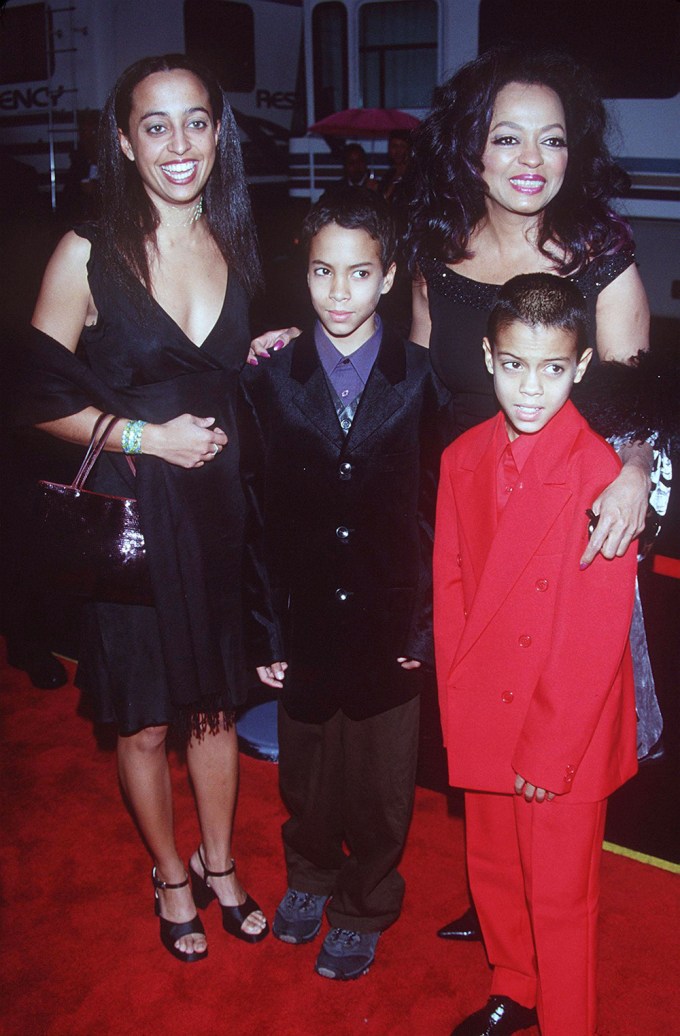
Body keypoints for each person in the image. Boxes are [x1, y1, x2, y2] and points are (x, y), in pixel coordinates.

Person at [405, 44, 663, 943]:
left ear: (571, 153)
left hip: (565, 523)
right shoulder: (436, 246)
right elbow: (419, 380)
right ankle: (499, 901)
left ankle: (541, 906)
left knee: (554, 725)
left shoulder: (599, 252)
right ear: (469, 151)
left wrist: (635, 472)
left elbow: (636, 404)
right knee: (482, 720)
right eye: (506, 138)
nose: (529, 160)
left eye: (550, 141)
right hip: (469, 511)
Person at [16, 54, 268, 962]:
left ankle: (223, 860)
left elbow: (216, 369)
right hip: (131, 513)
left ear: (218, 132)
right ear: (123, 141)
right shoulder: (89, 250)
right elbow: (35, 395)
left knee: (214, 709)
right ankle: (170, 873)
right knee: (148, 717)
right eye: (153, 125)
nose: (177, 143)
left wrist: (259, 357)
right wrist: (141, 438)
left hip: (216, 515)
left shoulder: (237, 238)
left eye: (195, 121)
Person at [241, 189, 449, 980]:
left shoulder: (422, 379)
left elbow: (438, 514)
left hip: (391, 627)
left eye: (358, 273)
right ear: (304, 272)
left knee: (383, 784)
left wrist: (423, 631)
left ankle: (366, 902)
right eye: (322, 271)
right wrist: (265, 632)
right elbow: (254, 511)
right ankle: (311, 875)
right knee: (309, 774)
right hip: (301, 624)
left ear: (388, 277)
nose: (338, 292)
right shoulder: (269, 377)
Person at [434, 273, 638, 1036]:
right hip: (486, 703)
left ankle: (567, 1023)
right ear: (488, 357)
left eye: (553, 369)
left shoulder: (599, 478)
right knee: (492, 870)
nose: (530, 388)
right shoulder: (461, 457)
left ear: (581, 367)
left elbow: (594, 634)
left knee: (560, 895)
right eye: (514, 364)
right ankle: (512, 987)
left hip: (564, 732)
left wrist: (549, 751)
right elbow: (451, 591)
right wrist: (460, 713)